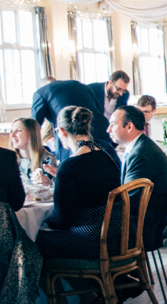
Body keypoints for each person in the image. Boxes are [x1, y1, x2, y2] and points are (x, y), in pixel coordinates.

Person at [36, 107, 122, 260]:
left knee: (34, 239)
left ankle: (68, 282)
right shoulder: (105, 155)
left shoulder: (70, 166)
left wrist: (41, 223)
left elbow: (61, 219)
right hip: (119, 234)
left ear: (62, 131)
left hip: (92, 240)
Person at [108, 105, 167, 247]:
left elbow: (129, 201)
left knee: (88, 233)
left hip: (144, 227)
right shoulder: (141, 147)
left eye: (113, 125)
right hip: (147, 220)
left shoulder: (140, 155)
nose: (108, 130)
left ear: (129, 126)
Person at [32, 77, 117, 163]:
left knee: (72, 171)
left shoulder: (41, 92)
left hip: (72, 139)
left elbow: (33, 126)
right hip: (102, 133)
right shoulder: (80, 85)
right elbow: (100, 110)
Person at [10, 117, 56, 183]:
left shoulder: (48, 160)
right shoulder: (10, 160)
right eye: (11, 131)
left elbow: (58, 188)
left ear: (31, 134)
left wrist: (49, 183)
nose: (12, 135)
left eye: (19, 131)